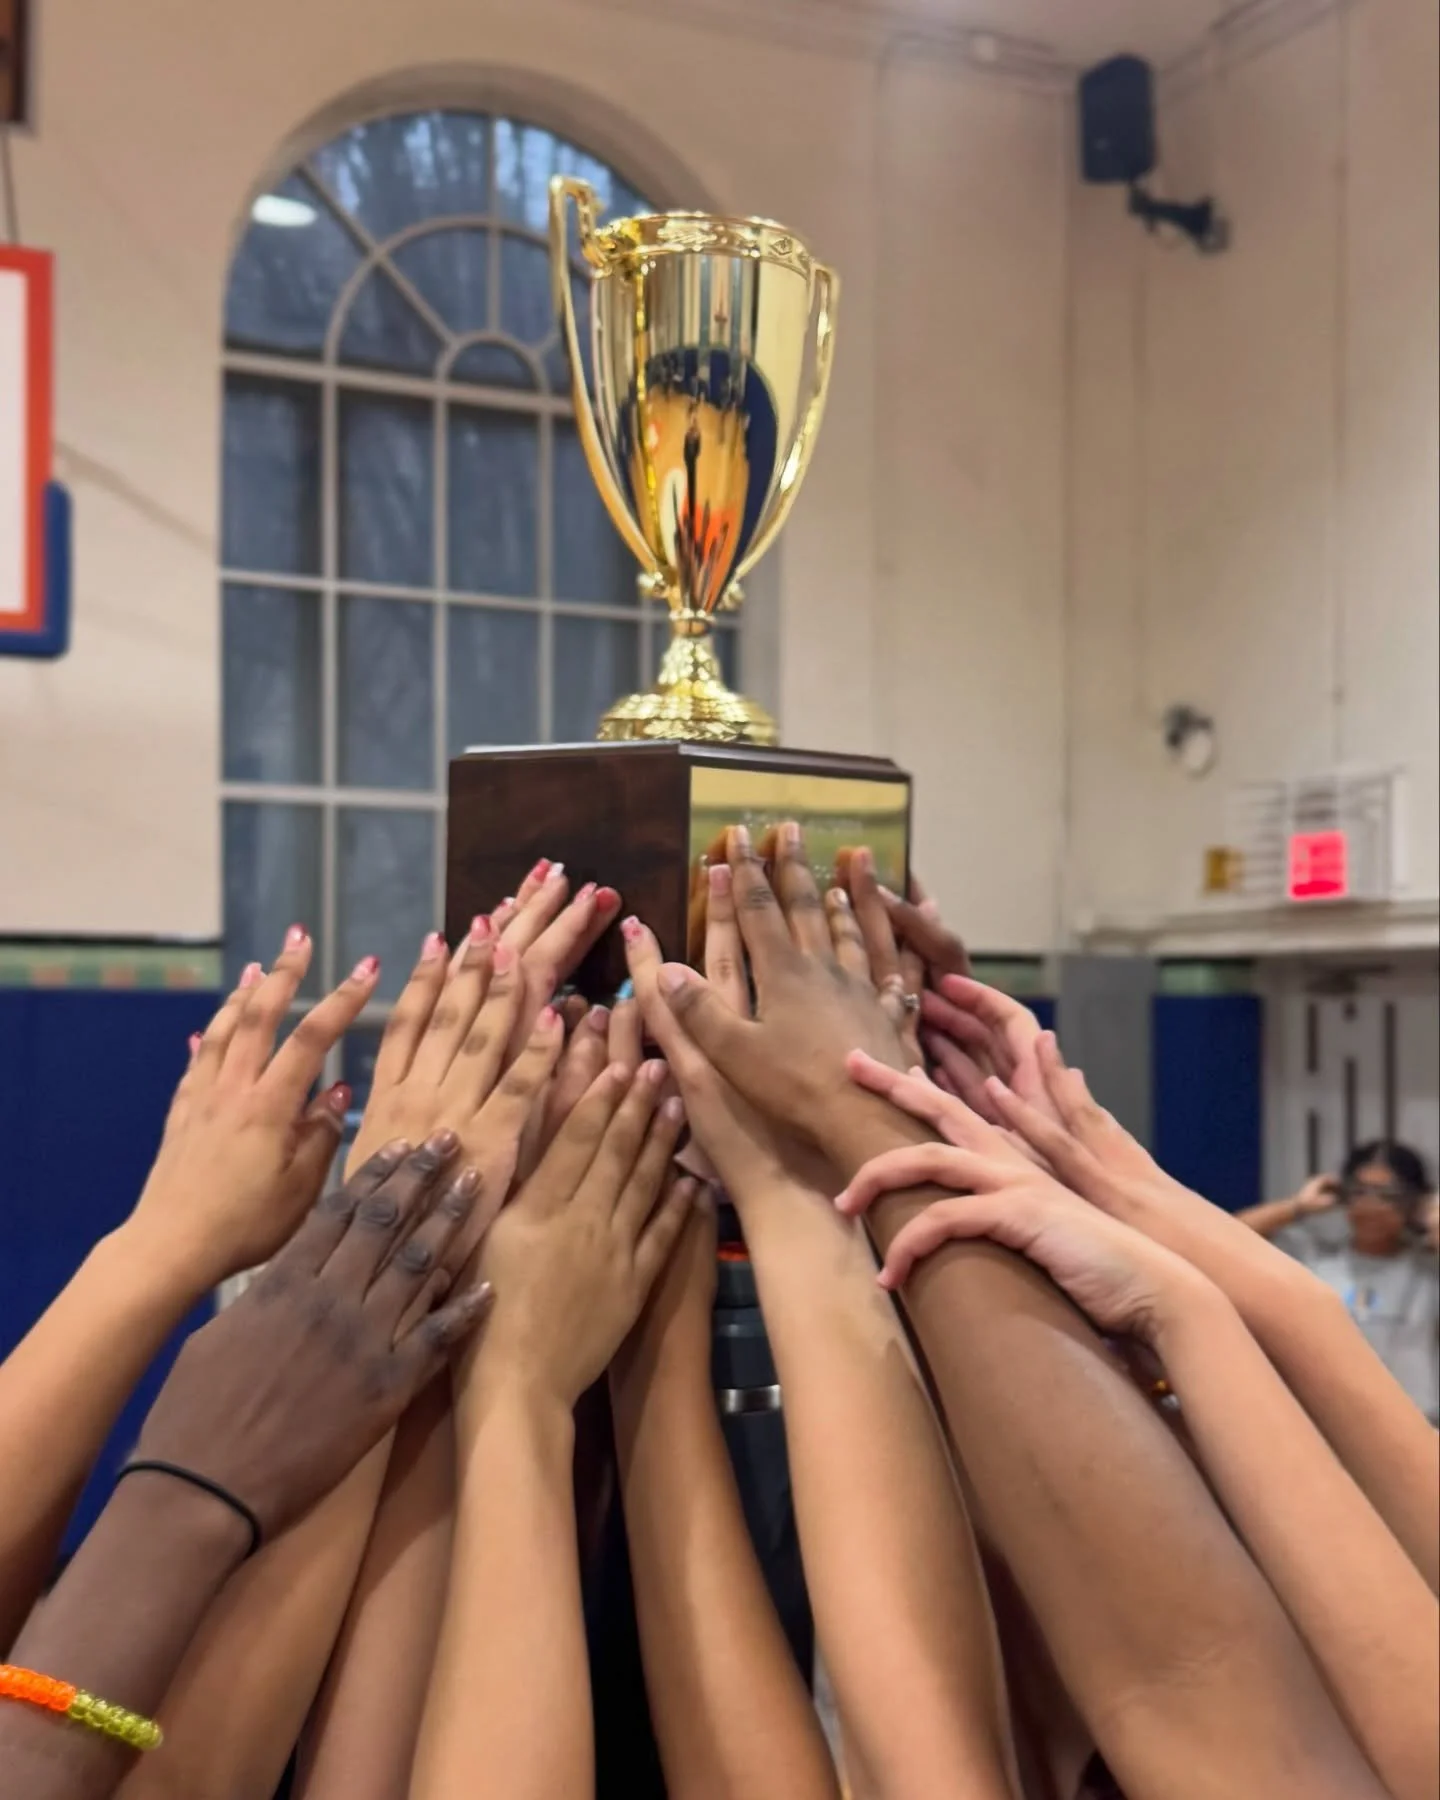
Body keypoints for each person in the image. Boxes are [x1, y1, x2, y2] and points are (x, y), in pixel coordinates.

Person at [1236, 1143, 1439, 1419]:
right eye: (1359, 1192)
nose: (1371, 1207)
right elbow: (1225, 1237)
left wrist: (1432, 1217)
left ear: (1412, 1202)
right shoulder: (1315, 1259)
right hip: (1326, 1423)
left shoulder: (1428, 1271)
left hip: (1416, 1424)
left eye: (1389, 1196)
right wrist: (1297, 1206)